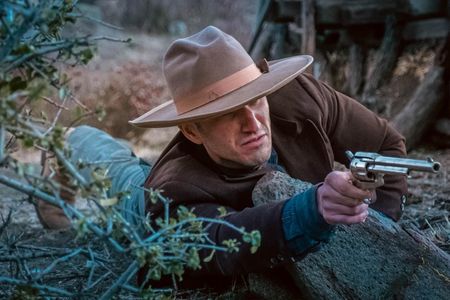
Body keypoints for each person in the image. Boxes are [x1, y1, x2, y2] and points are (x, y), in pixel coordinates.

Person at [36, 26, 407, 286]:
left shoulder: (300, 97)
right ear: (192, 129)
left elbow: (387, 143)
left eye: (255, 100)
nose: (253, 123)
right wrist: (313, 209)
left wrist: (378, 229)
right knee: (120, 172)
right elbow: (222, 246)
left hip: (209, 180)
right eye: (229, 113)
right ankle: (68, 139)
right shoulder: (170, 193)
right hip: (149, 200)